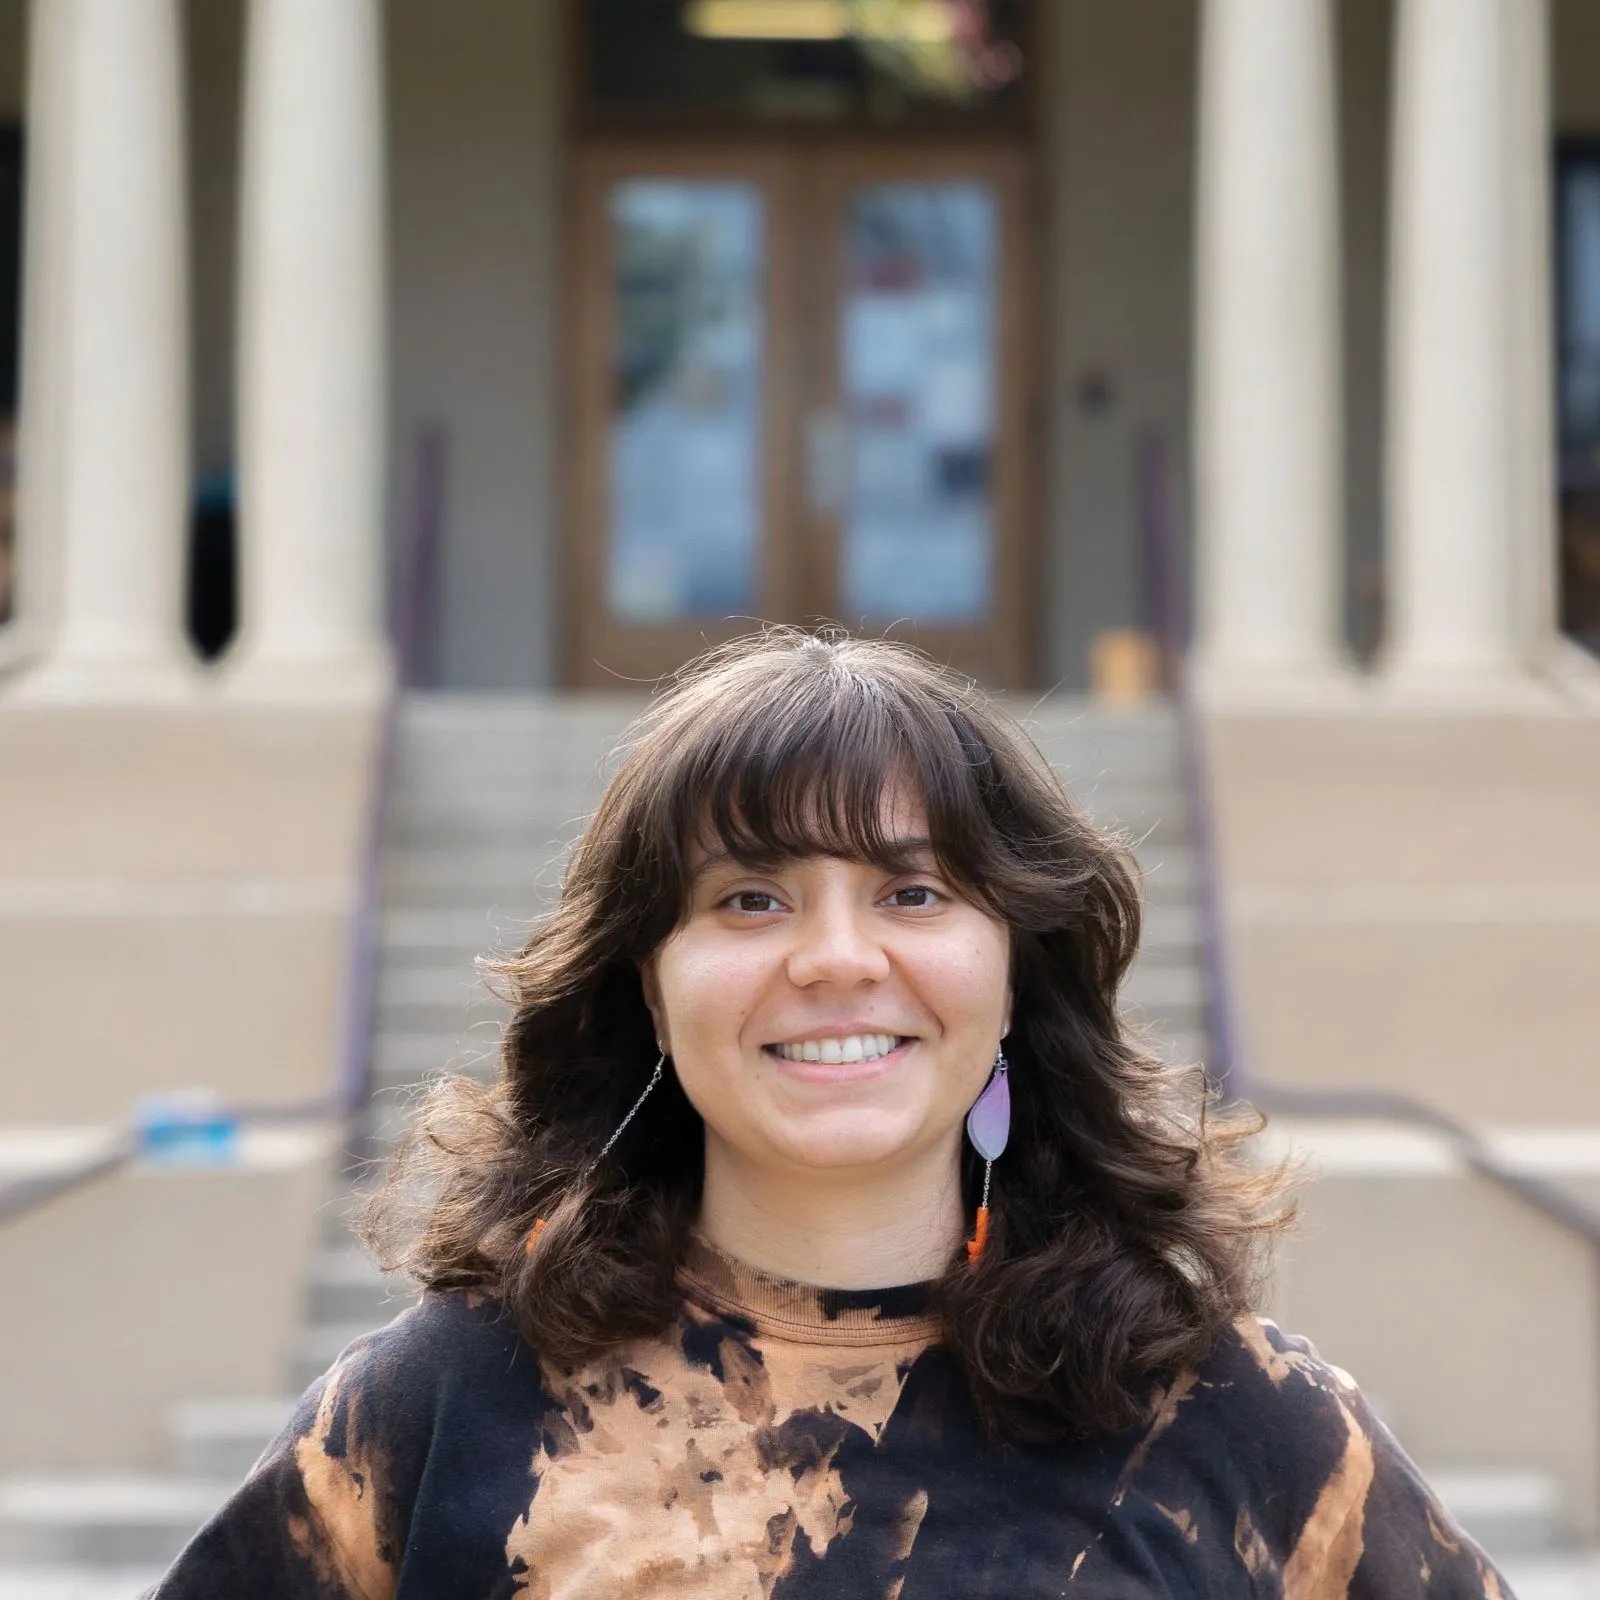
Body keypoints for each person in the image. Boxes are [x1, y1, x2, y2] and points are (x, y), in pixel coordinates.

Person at [150, 627, 1514, 1598]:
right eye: (751, 898)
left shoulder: (1232, 1415)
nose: (838, 959)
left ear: (1012, 965)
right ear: (650, 979)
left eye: (914, 894)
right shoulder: (431, 1411)